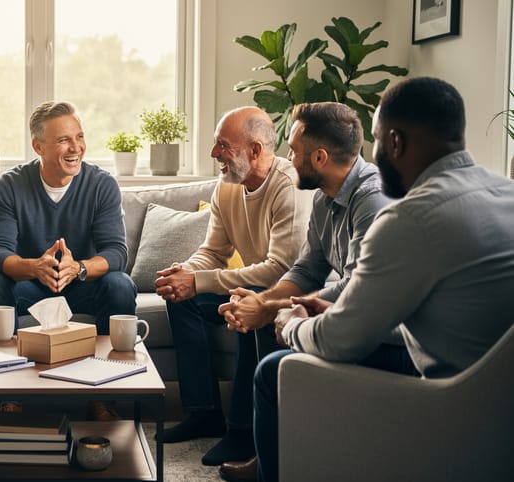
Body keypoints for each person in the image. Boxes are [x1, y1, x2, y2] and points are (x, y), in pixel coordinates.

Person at [249, 77, 514, 482]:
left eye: (374, 140)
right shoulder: (505, 192)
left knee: (273, 372)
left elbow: (338, 342)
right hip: (498, 407)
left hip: (453, 408)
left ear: (394, 142)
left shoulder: (408, 217)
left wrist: (289, 323)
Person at [213, 102, 397, 479]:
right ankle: (270, 455)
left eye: (293, 151)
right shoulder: (324, 197)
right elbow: (309, 267)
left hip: (380, 329)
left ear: (320, 156)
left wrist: (272, 306)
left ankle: (274, 465)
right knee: (267, 318)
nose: (287, 158)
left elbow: (360, 286)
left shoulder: (372, 199)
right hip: (350, 313)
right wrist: (262, 302)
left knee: (271, 363)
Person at [153, 106, 312, 467]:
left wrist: (200, 281)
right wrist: (185, 274)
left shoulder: (289, 186)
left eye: (222, 145)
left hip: (285, 292)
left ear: (255, 150)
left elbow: (279, 269)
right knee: (182, 300)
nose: (213, 155)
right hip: (253, 284)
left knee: (245, 305)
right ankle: (204, 412)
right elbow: (214, 251)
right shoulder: (226, 186)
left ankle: (242, 431)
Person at [0, 101, 137, 420]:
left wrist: (80, 269)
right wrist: (34, 266)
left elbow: (117, 253)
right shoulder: (10, 185)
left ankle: (105, 397)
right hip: (31, 289)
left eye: (79, 137)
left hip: (81, 285)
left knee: (121, 284)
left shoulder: (102, 184)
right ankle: (5, 398)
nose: (75, 147)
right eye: (64, 140)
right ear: (39, 146)